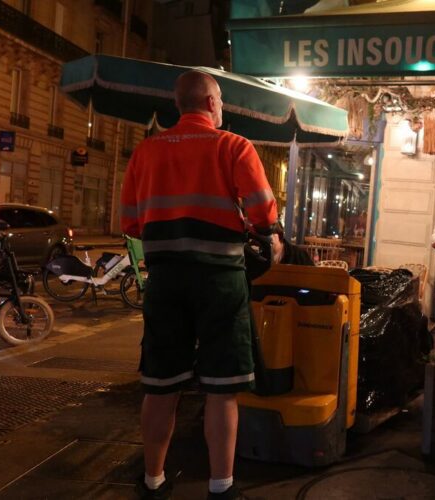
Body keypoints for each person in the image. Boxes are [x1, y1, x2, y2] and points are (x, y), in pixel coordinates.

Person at [121, 70, 277, 500]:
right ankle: (220, 487)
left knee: (160, 384)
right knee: (222, 389)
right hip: (220, 282)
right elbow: (264, 214)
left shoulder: (145, 153)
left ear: (179, 105)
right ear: (211, 103)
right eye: (221, 101)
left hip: (166, 280)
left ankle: (153, 481)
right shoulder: (234, 146)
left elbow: (132, 223)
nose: (222, 108)